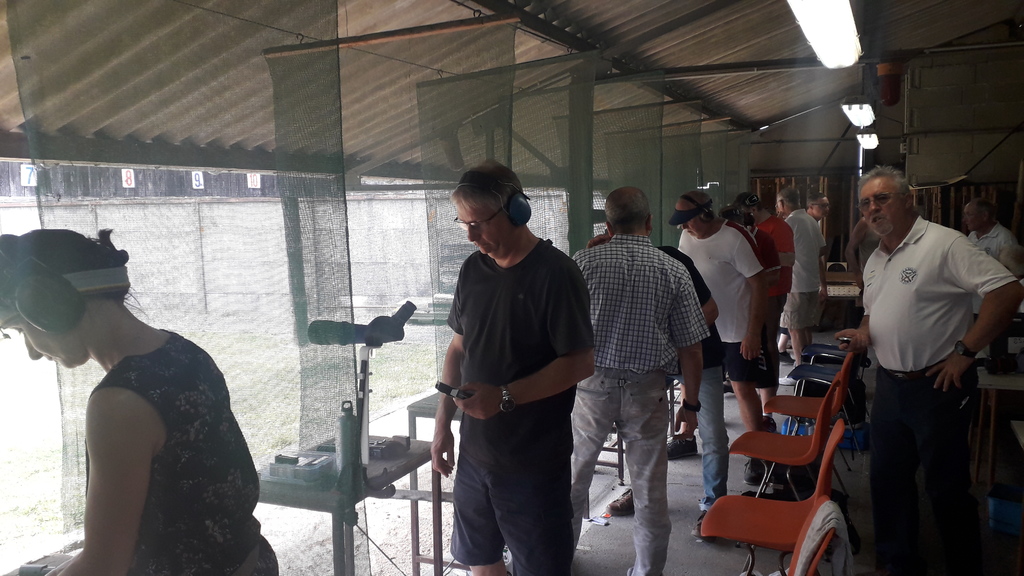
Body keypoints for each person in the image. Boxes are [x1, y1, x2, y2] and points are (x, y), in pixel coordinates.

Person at [0, 229, 277, 576]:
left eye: (22, 329)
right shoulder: (186, 352)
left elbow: (103, 568)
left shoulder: (118, 404)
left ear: (49, 306)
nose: (32, 352)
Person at [837, 166, 1024, 576]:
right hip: (890, 384)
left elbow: (1008, 291)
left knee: (946, 487)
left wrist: (965, 352)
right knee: (888, 480)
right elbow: (872, 311)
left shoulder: (944, 243)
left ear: (908, 201)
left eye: (882, 198)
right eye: (865, 203)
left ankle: (964, 567)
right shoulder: (876, 257)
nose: (872, 209)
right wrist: (864, 334)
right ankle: (899, 563)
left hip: (939, 385)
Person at [430, 160, 595, 576]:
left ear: (517, 210)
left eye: (479, 223)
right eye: (463, 223)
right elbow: (458, 348)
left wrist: (505, 396)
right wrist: (442, 424)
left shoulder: (557, 273)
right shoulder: (472, 270)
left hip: (533, 463)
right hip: (475, 456)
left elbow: (580, 362)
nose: (470, 236)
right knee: (480, 561)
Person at [570, 187, 707, 576]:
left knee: (574, 478)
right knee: (649, 490)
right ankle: (647, 571)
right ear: (649, 222)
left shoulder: (583, 263)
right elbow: (691, 348)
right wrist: (690, 405)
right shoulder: (672, 269)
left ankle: (556, 559)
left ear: (608, 226)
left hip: (591, 385)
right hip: (647, 390)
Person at [670, 191, 770, 435]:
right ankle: (686, 437)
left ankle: (757, 447)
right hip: (702, 327)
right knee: (690, 384)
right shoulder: (686, 237)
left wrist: (753, 333)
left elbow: (760, 284)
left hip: (737, 331)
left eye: (687, 220)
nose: (683, 226)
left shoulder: (735, 237)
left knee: (742, 388)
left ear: (706, 214)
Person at [722, 201, 781, 432]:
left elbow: (774, 277)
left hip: (756, 309)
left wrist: (747, 282)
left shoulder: (762, 239)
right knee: (737, 378)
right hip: (726, 318)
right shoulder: (718, 241)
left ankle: (768, 414)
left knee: (766, 350)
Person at [776, 188, 826, 370]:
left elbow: (779, 253)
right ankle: (809, 367)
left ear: (782, 203)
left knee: (794, 330)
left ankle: (800, 370)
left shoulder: (789, 223)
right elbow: (822, 249)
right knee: (805, 327)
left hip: (795, 284)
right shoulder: (811, 221)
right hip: (811, 283)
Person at [749, 194, 796, 373]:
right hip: (756, 290)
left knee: (768, 339)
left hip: (773, 290)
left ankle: (770, 380)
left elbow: (789, 259)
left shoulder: (778, 226)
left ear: (753, 210)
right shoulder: (753, 228)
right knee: (756, 339)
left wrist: (752, 258)